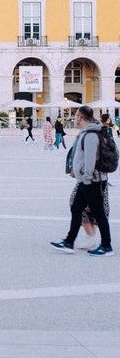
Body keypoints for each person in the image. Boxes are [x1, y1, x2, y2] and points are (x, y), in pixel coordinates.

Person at [51, 105, 113, 256]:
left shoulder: (91, 135)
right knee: (76, 209)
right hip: (87, 181)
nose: (75, 119)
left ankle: (106, 246)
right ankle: (69, 242)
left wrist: (85, 180)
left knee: (98, 213)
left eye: (77, 116)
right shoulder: (86, 133)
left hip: (92, 181)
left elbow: (90, 161)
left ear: (82, 117)